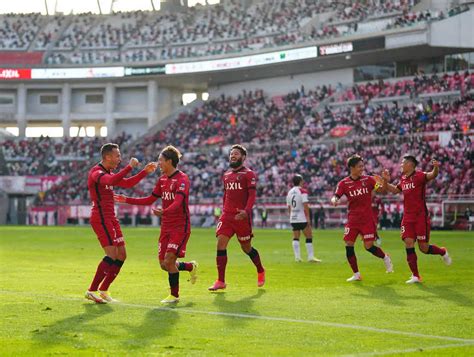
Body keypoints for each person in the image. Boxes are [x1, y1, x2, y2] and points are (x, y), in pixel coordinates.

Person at [115, 145, 198, 303]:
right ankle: (189, 267)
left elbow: (178, 202)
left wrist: (165, 211)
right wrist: (127, 199)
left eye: (160, 160)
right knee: (164, 265)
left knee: (169, 261)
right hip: (166, 226)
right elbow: (149, 199)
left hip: (180, 226)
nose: (158, 163)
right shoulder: (162, 180)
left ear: (169, 161)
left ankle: (174, 295)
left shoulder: (182, 179)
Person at [85, 143, 157, 303]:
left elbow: (126, 183)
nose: (120, 159)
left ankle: (104, 289)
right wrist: (129, 167)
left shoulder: (109, 172)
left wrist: (145, 171)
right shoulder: (96, 173)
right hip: (101, 217)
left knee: (122, 255)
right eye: (117, 155)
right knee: (111, 254)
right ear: (107, 156)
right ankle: (91, 290)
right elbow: (113, 179)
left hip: (111, 218)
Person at [382, 156, 451, 284]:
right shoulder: (403, 179)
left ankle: (442, 252)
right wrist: (385, 181)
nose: (401, 165)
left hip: (420, 217)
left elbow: (432, 175)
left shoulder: (419, 176)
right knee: (408, 243)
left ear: (410, 164)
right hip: (407, 217)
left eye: (403, 163)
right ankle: (415, 276)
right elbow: (394, 190)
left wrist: (436, 167)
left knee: (423, 248)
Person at [208, 144, 265, 291]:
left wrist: (246, 211)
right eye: (231, 154)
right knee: (220, 244)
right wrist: (223, 211)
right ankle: (221, 281)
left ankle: (260, 269)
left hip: (241, 217)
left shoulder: (248, 174)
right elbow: (226, 195)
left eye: (236, 154)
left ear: (243, 157)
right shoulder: (226, 175)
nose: (233, 156)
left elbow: (252, 195)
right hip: (227, 216)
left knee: (246, 248)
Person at [331, 154, 393, 282]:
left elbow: (382, 190)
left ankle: (385, 257)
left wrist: (385, 180)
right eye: (359, 166)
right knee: (348, 244)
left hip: (367, 219)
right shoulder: (344, 183)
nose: (362, 168)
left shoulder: (369, 180)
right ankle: (356, 274)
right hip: (353, 219)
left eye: (362, 166)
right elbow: (336, 195)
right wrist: (334, 200)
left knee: (368, 246)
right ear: (352, 167)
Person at [286, 174, 321, 263]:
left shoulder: (290, 192)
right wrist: (308, 218)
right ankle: (310, 257)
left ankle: (297, 257)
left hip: (293, 218)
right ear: (300, 181)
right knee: (309, 236)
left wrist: (291, 216)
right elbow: (305, 205)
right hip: (302, 217)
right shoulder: (303, 191)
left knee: (296, 237)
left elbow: (289, 206)